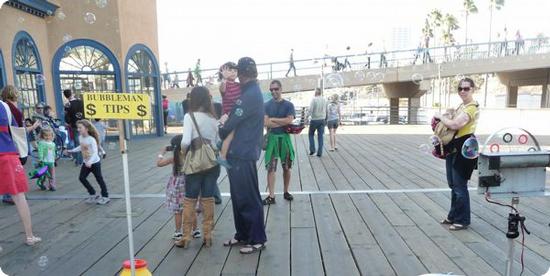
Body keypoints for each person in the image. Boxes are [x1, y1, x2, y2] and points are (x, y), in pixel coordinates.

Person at [219, 57, 267, 254]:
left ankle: (257, 239)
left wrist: (222, 128)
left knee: (248, 196)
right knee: (239, 196)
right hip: (240, 152)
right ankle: (243, 235)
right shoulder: (250, 92)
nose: (238, 76)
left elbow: (232, 121)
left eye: (239, 72)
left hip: (243, 152)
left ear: (243, 74)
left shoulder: (250, 95)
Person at [175, 86, 220, 248]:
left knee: (190, 200)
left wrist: (183, 153)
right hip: (212, 163)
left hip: (195, 163)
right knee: (208, 199)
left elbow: (186, 141)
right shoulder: (213, 118)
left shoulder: (190, 116)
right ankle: (208, 236)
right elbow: (216, 143)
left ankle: (186, 237)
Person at [434, 78, 479, 231]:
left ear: (473, 89)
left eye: (466, 88)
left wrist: (441, 117)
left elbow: (455, 125)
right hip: (454, 148)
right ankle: (453, 216)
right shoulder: (462, 106)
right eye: (460, 88)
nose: (462, 91)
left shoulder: (472, 108)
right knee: (453, 185)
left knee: (460, 186)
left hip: (465, 149)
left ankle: (463, 219)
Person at [0, 99, 41, 245]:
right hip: (8, 154)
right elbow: (18, 130)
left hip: (6, 155)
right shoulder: (5, 106)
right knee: (19, 196)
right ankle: (29, 236)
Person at [157, 135, 201, 241]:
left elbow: (159, 164)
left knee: (178, 211)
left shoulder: (174, 159)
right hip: (191, 184)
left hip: (177, 187)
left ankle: (178, 232)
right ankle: (195, 231)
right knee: (192, 209)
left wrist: (161, 153)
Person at [1, 85, 40, 204]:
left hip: (6, 143)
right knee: (14, 169)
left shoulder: (4, 106)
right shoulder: (11, 108)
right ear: (14, 94)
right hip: (12, 143)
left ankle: (11, 194)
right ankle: (12, 194)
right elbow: (18, 129)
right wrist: (33, 127)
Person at [263, 79, 295, 205]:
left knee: (286, 167)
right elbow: (265, 123)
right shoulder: (266, 105)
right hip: (272, 139)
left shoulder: (288, 105)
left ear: (281, 89)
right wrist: (283, 121)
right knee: (271, 168)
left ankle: (286, 191)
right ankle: (271, 196)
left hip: (285, 139)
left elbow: (290, 120)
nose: (273, 91)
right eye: (271, 90)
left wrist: (274, 119)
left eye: (276, 89)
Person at [65, 119, 110, 205]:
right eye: (78, 128)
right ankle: (93, 194)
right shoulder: (80, 137)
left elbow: (95, 153)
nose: (78, 129)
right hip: (86, 163)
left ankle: (105, 196)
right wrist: (71, 151)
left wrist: (90, 162)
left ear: (87, 128)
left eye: (80, 128)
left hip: (95, 163)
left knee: (99, 179)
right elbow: (80, 147)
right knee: (82, 178)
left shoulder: (91, 139)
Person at [217, 62, 241, 169]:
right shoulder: (225, 84)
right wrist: (224, 79)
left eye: (235, 71)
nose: (233, 73)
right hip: (228, 115)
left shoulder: (238, 85)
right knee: (231, 134)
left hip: (234, 114)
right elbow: (222, 89)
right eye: (230, 70)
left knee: (230, 135)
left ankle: (220, 144)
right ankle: (222, 156)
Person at [63, 89, 85, 165]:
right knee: (82, 141)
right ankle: (82, 159)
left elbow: (67, 117)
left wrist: (68, 123)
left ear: (65, 96)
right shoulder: (80, 102)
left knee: (77, 142)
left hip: (74, 125)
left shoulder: (67, 105)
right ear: (72, 94)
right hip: (83, 124)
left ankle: (78, 161)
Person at [308, 88, 327, 157]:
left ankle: (312, 150)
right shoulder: (324, 100)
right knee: (320, 136)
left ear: (316, 92)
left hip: (314, 119)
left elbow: (310, 110)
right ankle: (320, 152)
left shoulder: (314, 99)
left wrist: (306, 117)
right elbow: (326, 110)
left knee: (310, 134)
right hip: (322, 119)